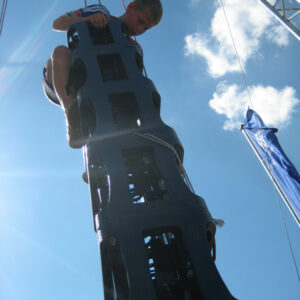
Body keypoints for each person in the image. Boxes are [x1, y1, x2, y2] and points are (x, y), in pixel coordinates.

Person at [42, 0, 163, 148]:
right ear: (131, 7)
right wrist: (88, 20)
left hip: (102, 93)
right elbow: (57, 23)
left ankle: (108, 149)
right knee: (60, 52)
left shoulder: (133, 47)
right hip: (69, 80)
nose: (140, 29)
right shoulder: (101, 13)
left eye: (146, 28)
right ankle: (73, 116)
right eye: (140, 21)